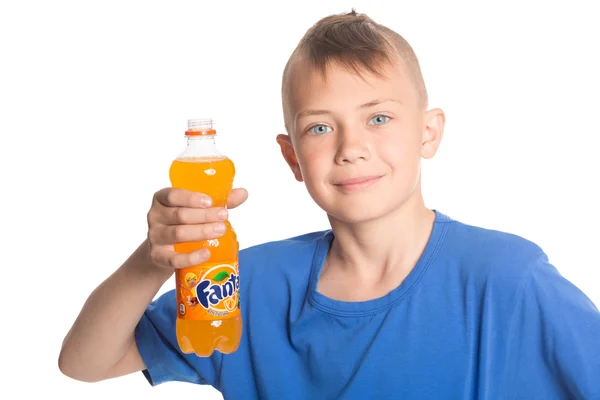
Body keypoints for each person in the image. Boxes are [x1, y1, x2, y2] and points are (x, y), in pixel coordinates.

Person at [58, 10, 600, 399]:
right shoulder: (246, 285)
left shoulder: (505, 279)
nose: (350, 148)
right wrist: (153, 260)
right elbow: (85, 362)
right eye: (320, 127)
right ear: (292, 157)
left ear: (428, 133)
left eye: (379, 118)